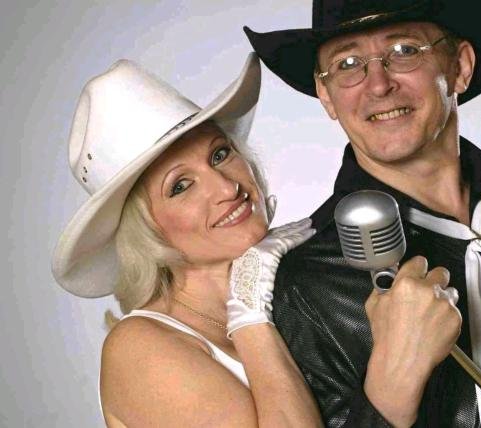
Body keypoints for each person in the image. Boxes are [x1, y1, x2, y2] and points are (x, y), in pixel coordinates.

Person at [244, 1, 481, 427]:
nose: (378, 85)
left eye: (404, 51)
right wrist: (391, 383)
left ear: (460, 66)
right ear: (326, 95)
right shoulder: (308, 282)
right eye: (348, 64)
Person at [51, 53, 322, 427]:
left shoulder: (293, 289)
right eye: (180, 186)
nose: (226, 188)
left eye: (220, 154)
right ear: (147, 231)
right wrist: (248, 311)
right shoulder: (138, 347)